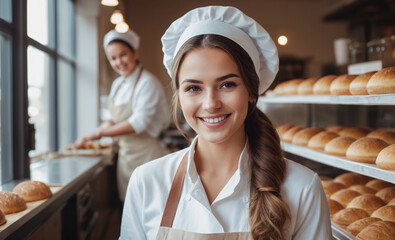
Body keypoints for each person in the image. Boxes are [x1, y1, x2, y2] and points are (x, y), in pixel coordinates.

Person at [119, 6, 331, 240]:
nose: (211, 104)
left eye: (227, 84)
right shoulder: (147, 182)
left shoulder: (302, 188)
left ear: (251, 91)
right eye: (193, 88)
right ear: (179, 96)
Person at [73, 29, 169, 202]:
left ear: (135, 53)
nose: (119, 62)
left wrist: (96, 134)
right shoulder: (117, 84)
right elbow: (110, 119)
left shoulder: (148, 83)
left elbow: (138, 123)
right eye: (113, 58)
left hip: (148, 155)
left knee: (152, 205)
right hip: (126, 157)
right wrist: (91, 138)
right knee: (129, 206)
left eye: (123, 54)